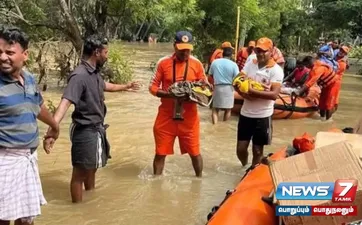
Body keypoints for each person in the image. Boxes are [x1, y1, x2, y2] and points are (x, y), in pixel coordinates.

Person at [43, 35, 140, 203]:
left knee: (92, 169)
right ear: (97, 52)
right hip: (85, 130)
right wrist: (52, 130)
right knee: (79, 174)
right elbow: (65, 103)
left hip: (96, 130)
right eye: (106, 52)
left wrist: (125, 87)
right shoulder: (79, 76)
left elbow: (105, 85)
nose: (107, 55)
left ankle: (90, 201)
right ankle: (78, 211)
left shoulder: (93, 72)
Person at [0, 26, 59, 225]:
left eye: (9, 52)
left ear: (25, 55)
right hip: (4, 160)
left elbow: (37, 105)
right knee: (2, 217)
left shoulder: (30, 79)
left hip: (28, 158)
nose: (3, 57)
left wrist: (54, 126)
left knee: (27, 219)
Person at [149, 31, 208, 177]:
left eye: (188, 49)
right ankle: (156, 184)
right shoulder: (163, 63)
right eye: (182, 49)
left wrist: (199, 92)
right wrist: (170, 94)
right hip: (166, 117)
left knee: (195, 153)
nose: (185, 53)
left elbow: (205, 87)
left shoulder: (197, 64)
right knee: (160, 153)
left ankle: (198, 181)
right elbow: (152, 87)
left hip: (189, 119)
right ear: (174, 46)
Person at [235, 37, 284, 167]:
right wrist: (243, 94)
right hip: (246, 113)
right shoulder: (251, 62)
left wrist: (252, 91)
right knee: (240, 149)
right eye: (258, 50)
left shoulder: (276, 70)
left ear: (271, 51)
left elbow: (274, 95)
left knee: (257, 151)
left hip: (263, 116)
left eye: (264, 51)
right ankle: (244, 166)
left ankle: (251, 174)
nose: (260, 54)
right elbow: (237, 80)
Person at [296, 46, 340, 121]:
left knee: (328, 103)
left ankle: (328, 120)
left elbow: (311, 82)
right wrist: (301, 93)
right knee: (322, 103)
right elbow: (307, 82)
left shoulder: (319, 68)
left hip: (333, 84)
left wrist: (299, 92)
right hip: (325, 86)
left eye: (306, 65)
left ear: (309, 63)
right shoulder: (312, 70)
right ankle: (322, 118)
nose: (306, 67)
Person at [209, 47, 240, 124]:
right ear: (231, 55)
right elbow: (237, 78)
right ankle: (224, 125)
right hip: (229, 88)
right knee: (228, 109)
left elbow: (210, 76)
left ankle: (215, 126)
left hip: (217, 87)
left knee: (215, 109)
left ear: (222, 54)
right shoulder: (234, 65)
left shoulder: (215, 62)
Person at [334, 45, 350, 112]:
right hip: (331, 79)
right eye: (341, 50)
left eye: (343, 51)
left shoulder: (342, 63)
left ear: (345, 54)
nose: (341, 52)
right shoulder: (335, 57)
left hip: (336, 80)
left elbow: (335, 73)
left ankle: (333, 109)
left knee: (335, 98)